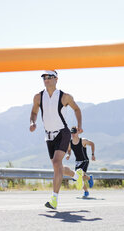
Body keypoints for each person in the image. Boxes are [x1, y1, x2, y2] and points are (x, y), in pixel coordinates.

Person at [29, 70, 83, 210]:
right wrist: (32, 122)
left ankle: (54, 199)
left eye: (49, 77)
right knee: (57, 166)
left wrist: (79, 126)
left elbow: (77, 109)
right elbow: (34, 112)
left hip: (63, 133)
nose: (46, 79)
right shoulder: (38, 97)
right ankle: (76, 175)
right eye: (44, 77)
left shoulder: (64, 97)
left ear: (56, 79)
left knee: (57, 162)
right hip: (49, 135)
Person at [66, 126, 95, 197]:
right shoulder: (70, 142)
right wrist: (68, 155)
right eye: (71, 133)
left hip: (85, 161)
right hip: (77, 162)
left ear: (78, 133)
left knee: (79, 176)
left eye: (74, 133)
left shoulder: (83, 141)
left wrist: (93, 154)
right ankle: (89, 178)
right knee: (76, 177)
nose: (73, 134)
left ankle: (86, 192)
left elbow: (92, 144)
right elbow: (69, 150)